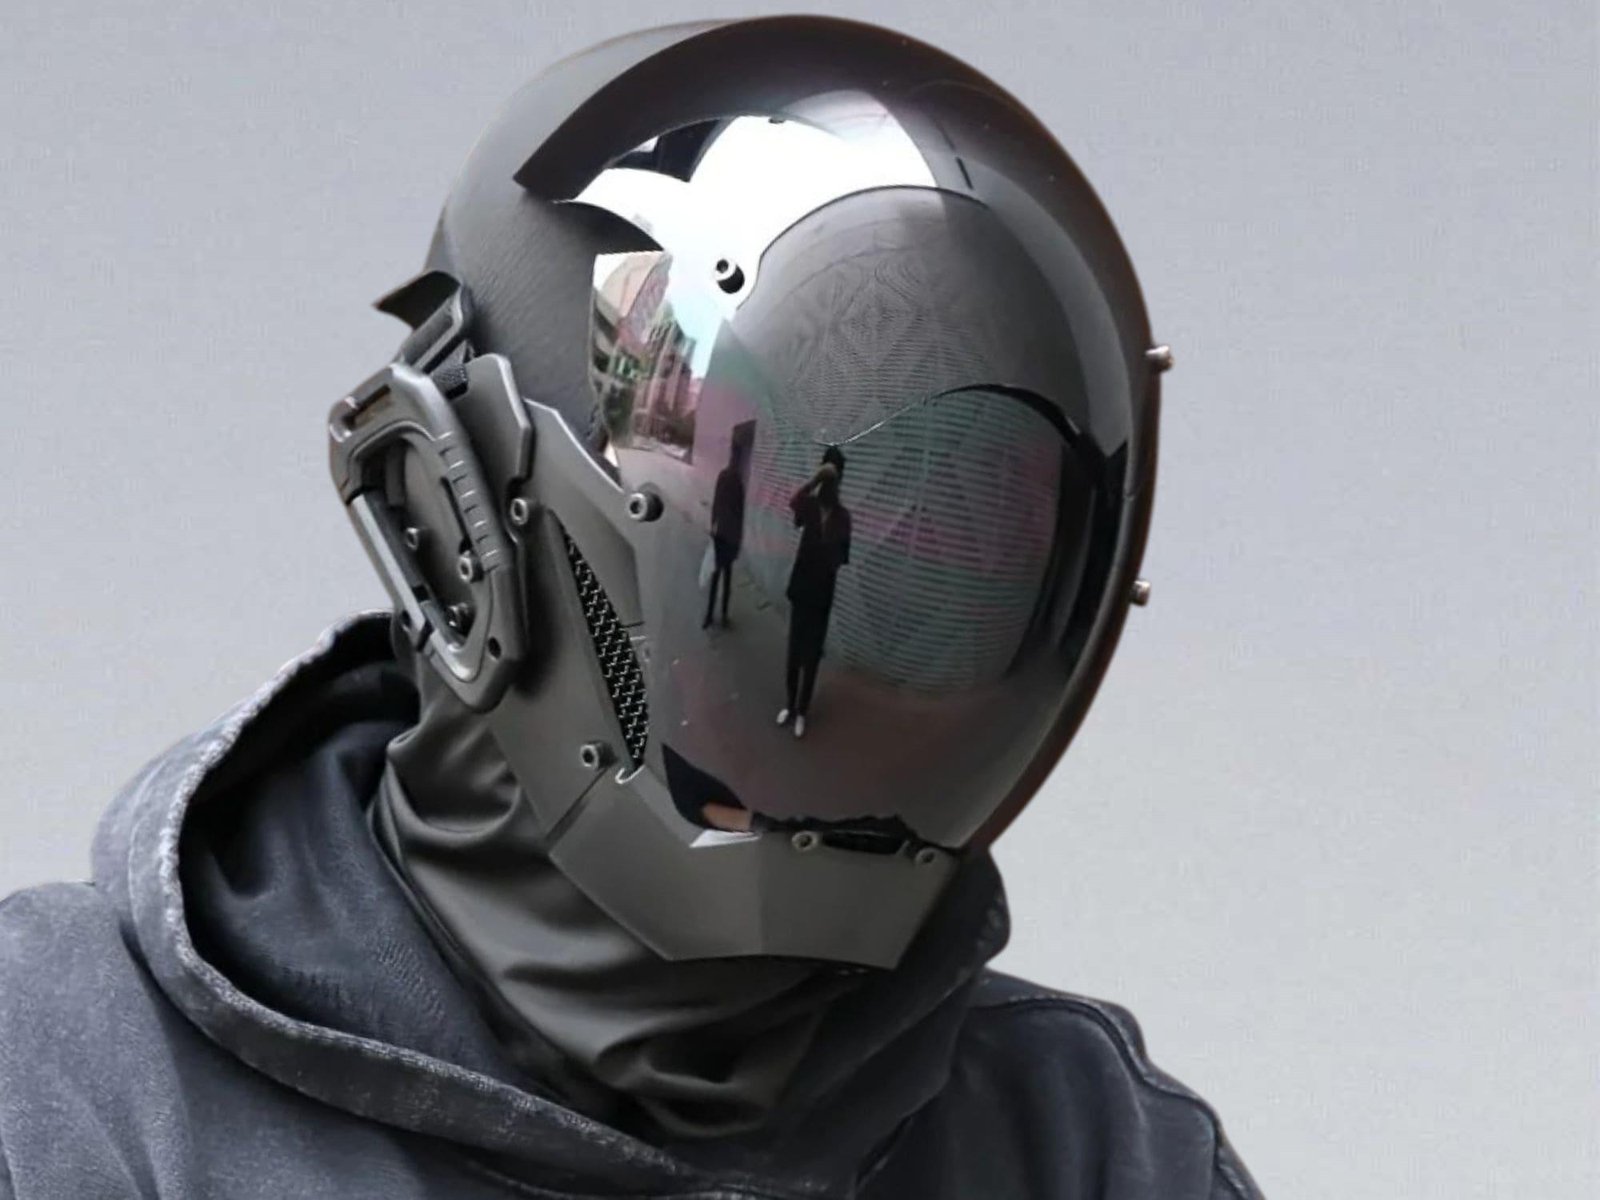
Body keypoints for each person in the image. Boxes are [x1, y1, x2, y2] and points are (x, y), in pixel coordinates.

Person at [0, 16, 1263, 1199]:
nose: (909, 600)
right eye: (753, 501)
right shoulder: (59, 1088)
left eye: (969, 534)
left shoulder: (1091, 1144)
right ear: (450, 523)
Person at [778, 457, 852, 737]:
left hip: (821, 596)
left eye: (833, 479)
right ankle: (789, 705)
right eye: (826, 479)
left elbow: (843, 556)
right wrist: (814, 479)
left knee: (811, 657)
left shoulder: (843, 517)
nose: (829, 485)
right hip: (801, 591)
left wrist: (827, 554)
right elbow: (793, 503)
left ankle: (802, 711)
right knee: (793, 653)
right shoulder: (809, 505)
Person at [702, 442, 747, 629]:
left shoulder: (724, 476)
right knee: (726, 577)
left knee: (716, 576)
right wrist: (739, 540)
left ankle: (710, 616)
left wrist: (713, 525)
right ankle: (723, 615)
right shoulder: (738, 482)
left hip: (721, 534)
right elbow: (740, 513)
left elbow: (716, 503)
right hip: (729, 536)